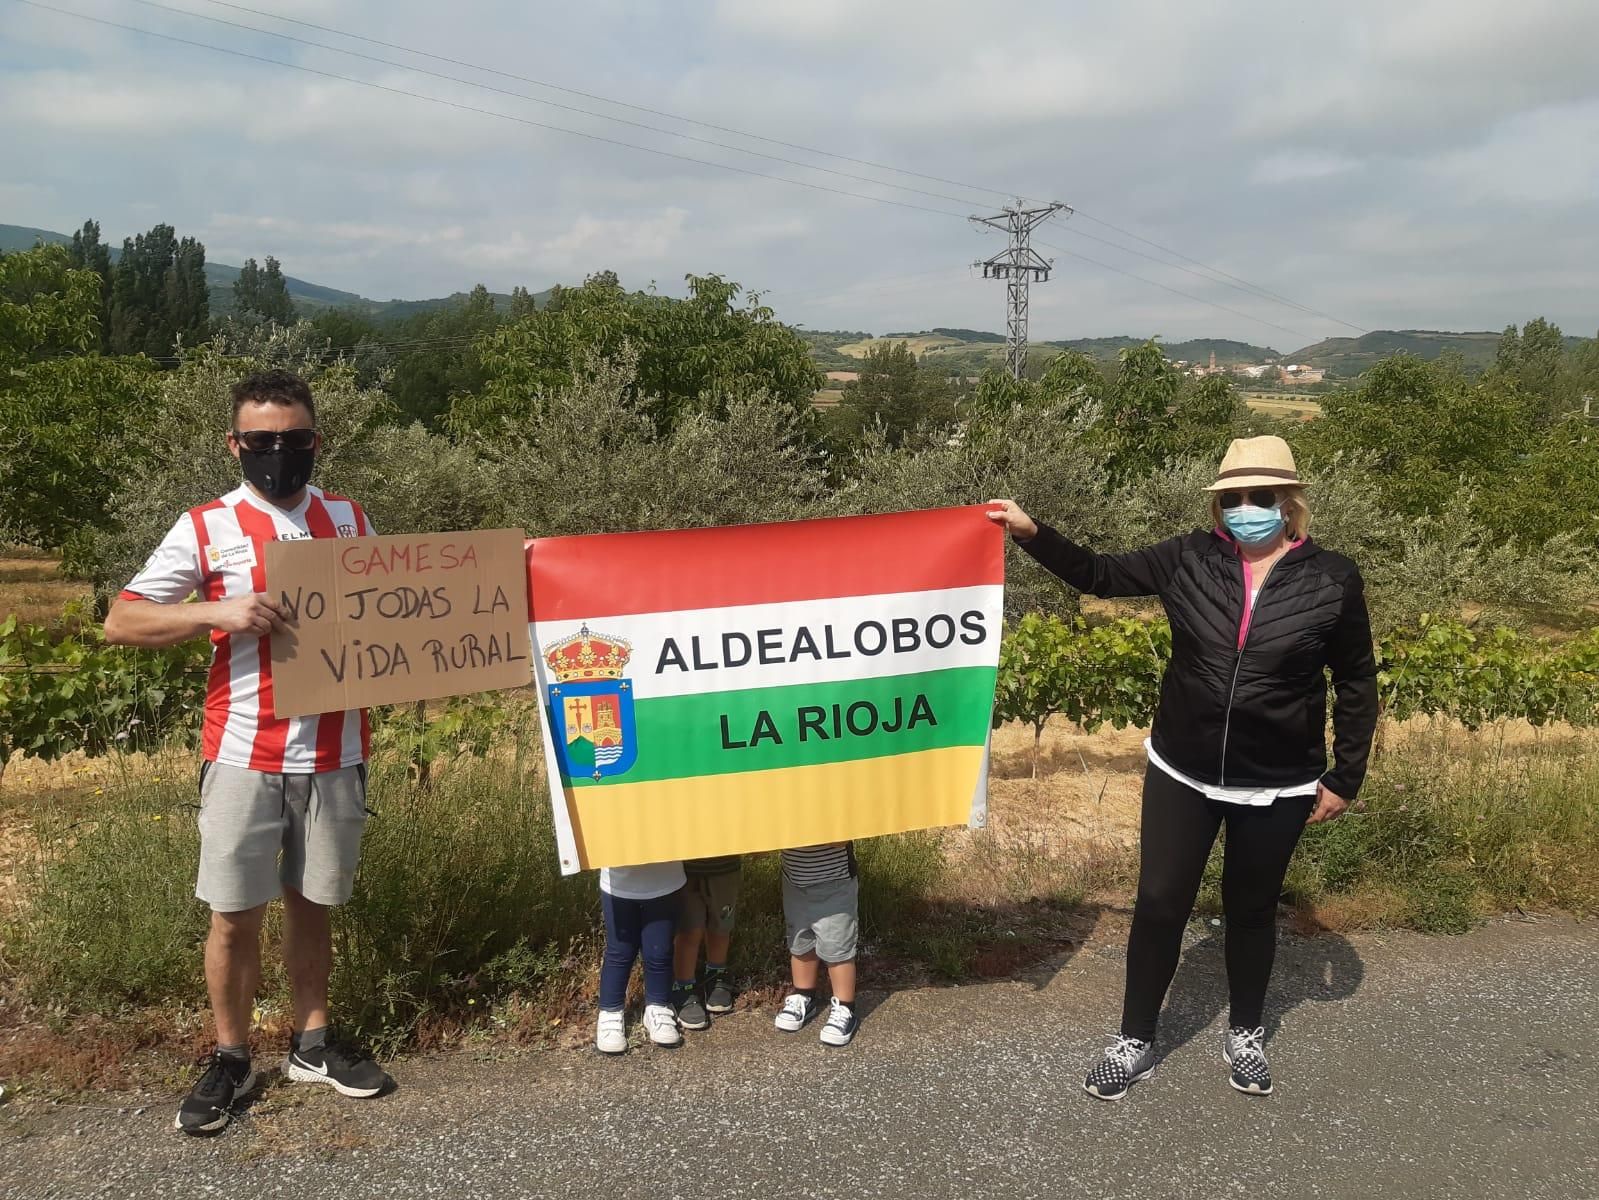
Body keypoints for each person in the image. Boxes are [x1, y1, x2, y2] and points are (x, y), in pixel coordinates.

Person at [987, 435, 1377, 1100]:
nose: (1246, 508)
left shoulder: (1332, 578)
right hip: (1182, 770)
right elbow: (1098, 575)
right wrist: (1030, 533)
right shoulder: (1187, 557)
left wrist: (1345, 776)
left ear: (1289, 502)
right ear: (1220, 504)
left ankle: (1246, 1032)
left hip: (1278, 780)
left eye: (1260, 497)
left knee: (1251, 909)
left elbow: (1356, 680)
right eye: (1234, 498)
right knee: (1160, 904)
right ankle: (1134, 1038)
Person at [104, 369, 391, 1135]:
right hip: (242, 751)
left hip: (335, 751)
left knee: (313, 905)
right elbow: (122, 621)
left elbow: (395, 609)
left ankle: (312, 1045)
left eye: (293, 439)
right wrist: (216, 611)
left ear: (316, 441)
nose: (278, 453)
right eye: (260, 441)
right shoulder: (206, 526)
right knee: (234, 916)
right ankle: (231, 1057)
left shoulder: (349, 517)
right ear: (234, 445)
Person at [774, 842, 861, 1047]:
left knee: (837, 946)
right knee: (800, 940)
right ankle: (804, 994)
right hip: (795, 881)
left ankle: (845, 1006)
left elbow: (841, 837)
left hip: (835, 882)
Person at [595, 860, 687, 1054]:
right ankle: (610, 1012)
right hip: (618, 883)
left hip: (666, 881)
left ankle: (658, 1006)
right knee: (620, 952)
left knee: (660, 951)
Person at [671, 855, 742, 1031]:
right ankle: (683, 986)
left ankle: (716, 972)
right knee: (688, 929)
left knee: (721, 923)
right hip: (683, 868)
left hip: (725, 864)